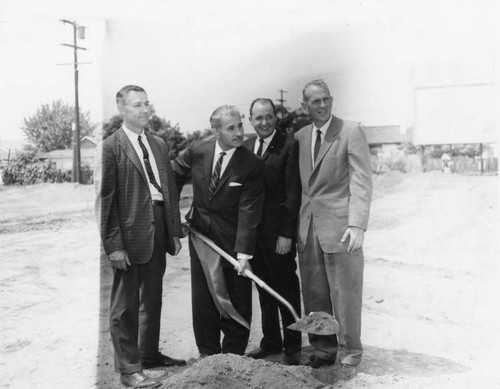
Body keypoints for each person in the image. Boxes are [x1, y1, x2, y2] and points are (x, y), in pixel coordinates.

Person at [95, 85, 186, 388]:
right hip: (129, 232)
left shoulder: (159, 143)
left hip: (158, 225)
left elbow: (169, 190)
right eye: (137, 105)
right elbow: (106, 200)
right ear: (121, 109)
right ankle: (129, 369)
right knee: (125, 306)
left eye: (147, 104)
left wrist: (173, 231)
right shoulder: (111, 146)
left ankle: (148, 355)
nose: (145, 110)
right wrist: (114, 246)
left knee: (153, 297)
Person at [172, 105, 265, 357]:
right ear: (215, 131)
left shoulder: (251, 165)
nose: (239, 133)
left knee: (236, 300)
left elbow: (249, 211)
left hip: (232, 245)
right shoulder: (197, 151)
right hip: (200, 239)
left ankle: (232, 357)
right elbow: (173, 175)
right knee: (203, 300)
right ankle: (208, 356)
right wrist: (173, 215)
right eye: (231, 128)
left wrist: (244, 255)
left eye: (240, 126)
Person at [294, 80, 372, 369]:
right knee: (314, 293)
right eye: (315, 101)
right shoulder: (300, 136)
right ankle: (323, 348)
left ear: (332, 99)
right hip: (308, 227)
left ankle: (351, 348)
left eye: (326, 99)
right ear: (305, 106)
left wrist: (357, 224)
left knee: (345, 291)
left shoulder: (351, 131)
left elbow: (362, 181)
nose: (323, 105)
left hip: (341, 228)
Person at [242, 98, 302, 365]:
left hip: (279, 236)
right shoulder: (245, 147)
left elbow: (292, 193)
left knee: (286, 289)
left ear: (275, 117)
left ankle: (293, 347)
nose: (264, 123)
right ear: (250, 119)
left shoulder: (289, 145)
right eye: (258, 118)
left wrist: (286, 234)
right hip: (255, 237)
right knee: (264, 289)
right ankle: (271, 342)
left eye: (268, 117)